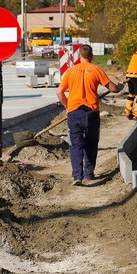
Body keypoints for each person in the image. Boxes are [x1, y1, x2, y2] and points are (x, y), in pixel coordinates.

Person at [56, 43, 123, 186]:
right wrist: (120, 86)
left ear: (79, 56)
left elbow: (59, 93)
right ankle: (89, 173)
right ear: (91, 56)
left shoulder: (70, 71)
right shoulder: (96, 70)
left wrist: (68, 106)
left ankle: (77, 176)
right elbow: (113, 88)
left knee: (75, 144)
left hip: (74, 112)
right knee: (91, 143)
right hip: (91, 112)